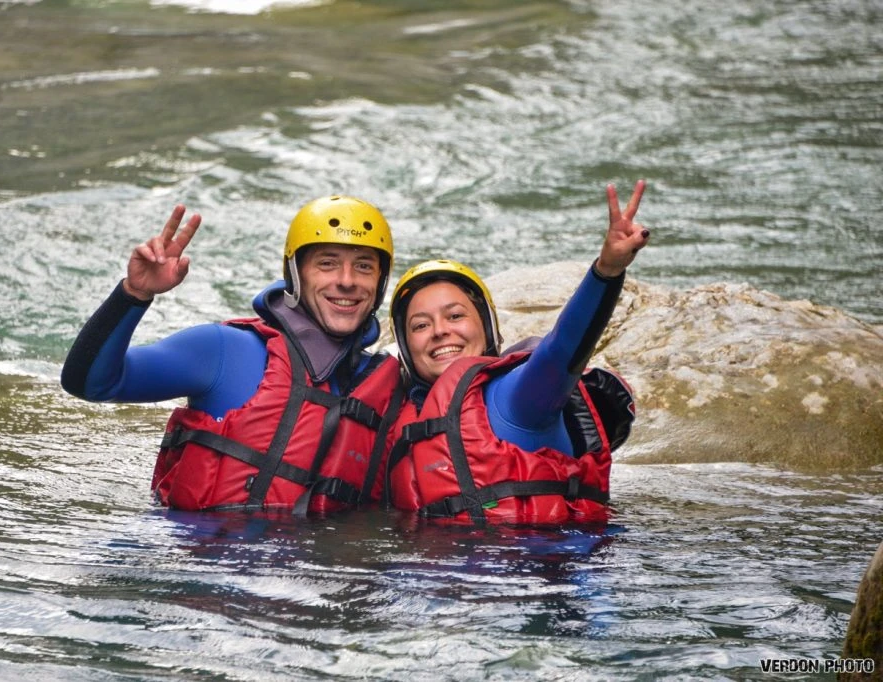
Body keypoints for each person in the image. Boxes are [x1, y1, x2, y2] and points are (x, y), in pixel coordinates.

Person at [61, 196, 404, 515]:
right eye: (327, 264)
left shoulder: (388, 391)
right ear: (296, 275)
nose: (347, 281)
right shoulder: (224, 350)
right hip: (192, 566)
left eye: (363, 267)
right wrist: (133, 294)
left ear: (380, 282)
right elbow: (90, 383)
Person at [385, 181, 648, 525]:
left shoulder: (516, 397)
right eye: (420, 325)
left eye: (455, 316)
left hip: (539, 572)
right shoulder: (400, 418)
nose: (439, 331)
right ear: (405, 347)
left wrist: (606, 272)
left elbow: (563, 351)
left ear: (487, 327)